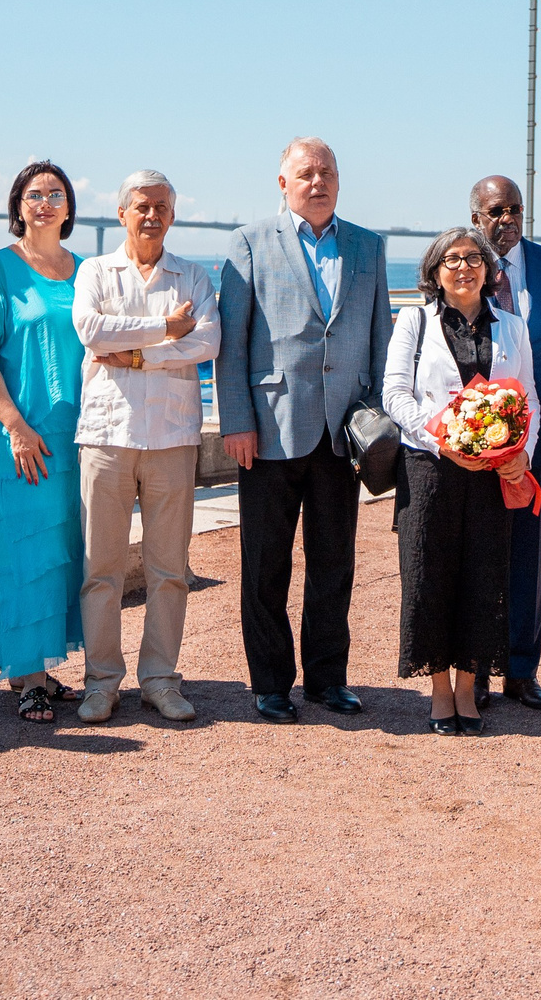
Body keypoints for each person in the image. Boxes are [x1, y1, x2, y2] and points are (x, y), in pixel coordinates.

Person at [218, 137, 394, 723]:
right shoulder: (248, 242)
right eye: (307, 173)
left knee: (333, 565)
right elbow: (232, 343)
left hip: (343, 433)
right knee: (265, 565)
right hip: (269, 430)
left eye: (328, 173)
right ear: (283, 182)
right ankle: (270, 683)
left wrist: (377, 418)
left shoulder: (368, 246)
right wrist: (236, 421)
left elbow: (380, 339)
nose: (318, 183)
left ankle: (327, 679)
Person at [70, 170, 218, 725]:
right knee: (100, 568)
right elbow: (91, 331)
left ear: (172, 216)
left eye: (161, 207)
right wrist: (166, 329)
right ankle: (101, 682)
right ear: (122, 213)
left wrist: (136, 355)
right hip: (106, 436)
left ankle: (160, 679)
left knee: (170, 569)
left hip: (172, 437)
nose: (151, 215)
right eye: (141, 206)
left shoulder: (194, 275)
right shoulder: (94, 270)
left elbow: (208, 341)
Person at [384, 228, 536, 734]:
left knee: (484, 578)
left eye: (474, 258)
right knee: (429, 576)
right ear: (435, 271)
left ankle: (469, 687)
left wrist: (521, 454)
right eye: (451, 259)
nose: (464, 267)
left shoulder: (512, 326)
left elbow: (529, 397)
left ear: (489, 270)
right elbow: (395, 394)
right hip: (429, 470)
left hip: (492, 474)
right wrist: (441, 438)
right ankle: (440, 690)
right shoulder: (415, 321)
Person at [0, 162, 88, 721]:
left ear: (69, 207)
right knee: (22, 552)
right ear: (18, 206)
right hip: (23, 439)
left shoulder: (87, 271)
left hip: (79, 437)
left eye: (55, 194)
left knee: (61, 554)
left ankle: (38, 664)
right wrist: (15, 426)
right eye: (34, 194)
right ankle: (28, 678)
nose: (45, 202)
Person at [469, 173, 541, 712]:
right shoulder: (461, 266)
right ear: (475, 218)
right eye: (495, 211)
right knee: (478, 557)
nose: (507, 219)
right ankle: (476, 670)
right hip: (471, 442)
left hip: (538, 443)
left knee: (526, 556)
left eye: (514, 209)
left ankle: (521, 670)